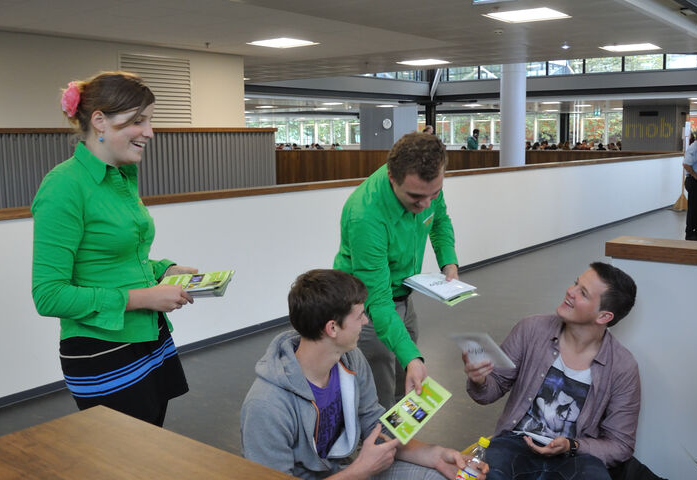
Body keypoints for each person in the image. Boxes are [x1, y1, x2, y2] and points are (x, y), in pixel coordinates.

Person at [31, 72, 197, 427]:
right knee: (127, 455)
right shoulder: (63, 186)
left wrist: (164, 270)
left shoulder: (120, 176)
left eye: (149, 121)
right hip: (103, 352)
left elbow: (119, 258)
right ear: (99, 121)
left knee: (153, 448)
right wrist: (144, 298)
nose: (149, 132)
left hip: (148, 338)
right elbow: (49, 295)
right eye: (138, 121)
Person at [241, 269, 486, 480]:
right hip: (349, 473)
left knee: (439, 475)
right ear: (332, 328)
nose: (366, 321)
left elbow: (375, 427)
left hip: (346, 471)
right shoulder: (266, 405)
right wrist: (359, 471)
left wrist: (435, 455)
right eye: (359, 316)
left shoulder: (350, 359)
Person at [463, 262, 640, 480]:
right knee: (483, 475)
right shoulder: (531, 329)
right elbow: (491, 390)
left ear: (603, 317)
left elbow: (620, 445)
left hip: (576, 456)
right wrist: (480, 380)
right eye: (575, 283)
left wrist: (572, 445)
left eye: (583, 293)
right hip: (515, 442)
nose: (570, 291)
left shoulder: (622, 367)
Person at [334, 132, 459, 407]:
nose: (425, 205)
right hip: (364, 308)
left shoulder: (426, 187)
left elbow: (439, 221)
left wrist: (448, 261)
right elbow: (378, 302)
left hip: (404, 294)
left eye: (434, 194)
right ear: (392, 177)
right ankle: (380, 434)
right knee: (378, 398)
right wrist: (412, 357)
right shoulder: (365, 215)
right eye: (415, 197)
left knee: (408, 382)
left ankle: (403, 433)